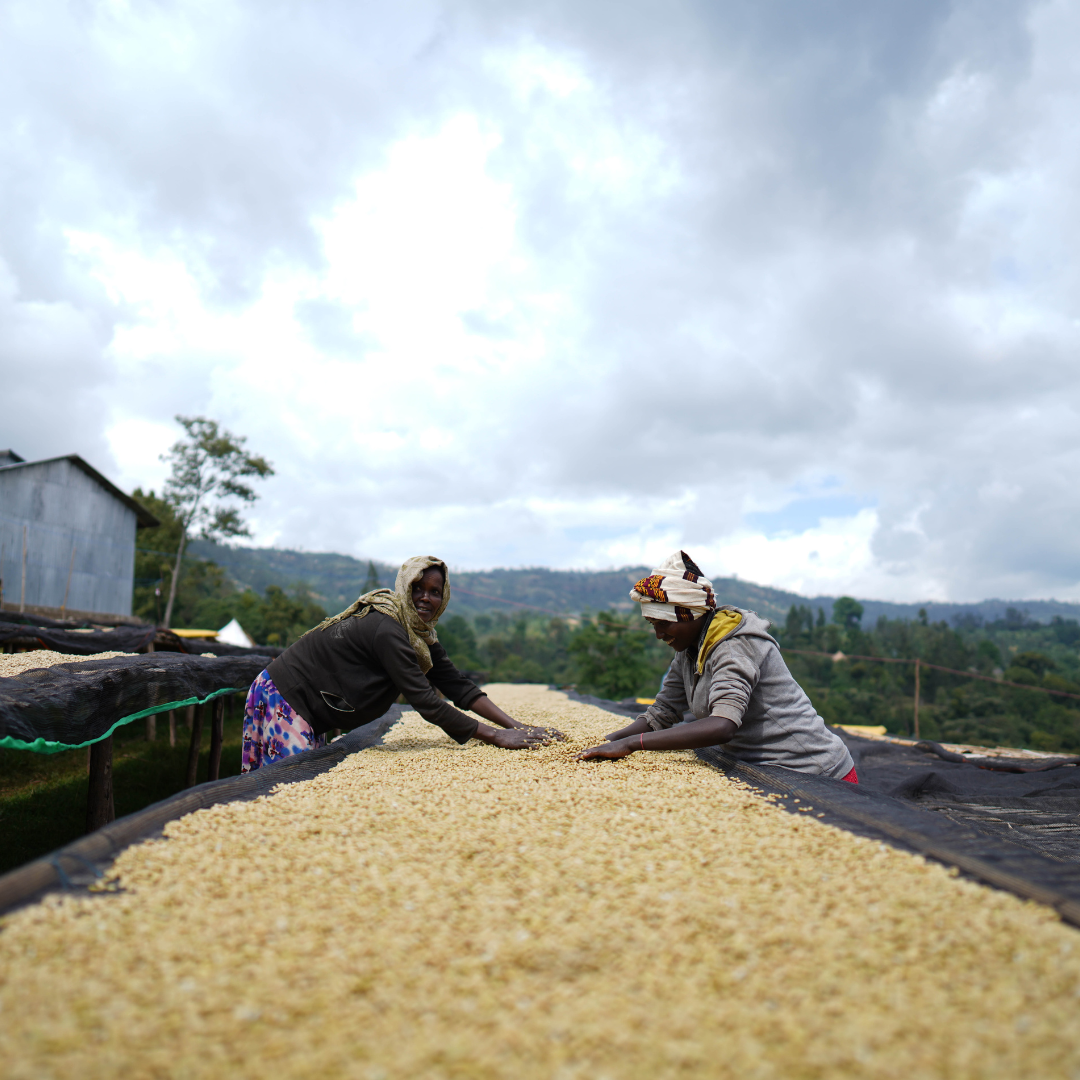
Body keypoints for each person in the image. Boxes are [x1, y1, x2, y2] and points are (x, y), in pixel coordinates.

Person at [241, 555, 559, 772]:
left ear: (444, 598)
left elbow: (457, 686)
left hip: (306, 705)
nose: (425, 598)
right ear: (403, 588)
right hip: (283, 697)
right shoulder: (388, 628)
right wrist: (496, 736)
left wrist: (516, 727)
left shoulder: (419, 636)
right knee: (286, 789)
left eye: (435, 592)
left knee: (300, 780)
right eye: (417, 588)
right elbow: (424, 699)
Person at [577, 550, 856, 782]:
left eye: (664, 624)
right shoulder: (690, 650)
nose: (659, 635)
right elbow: (662, 712)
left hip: (816, 775)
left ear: (692, 615)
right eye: (653, 625)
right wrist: (608, 740)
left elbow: (722, 725)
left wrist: (631, 744)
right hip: (763, 769)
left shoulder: (733, 646)